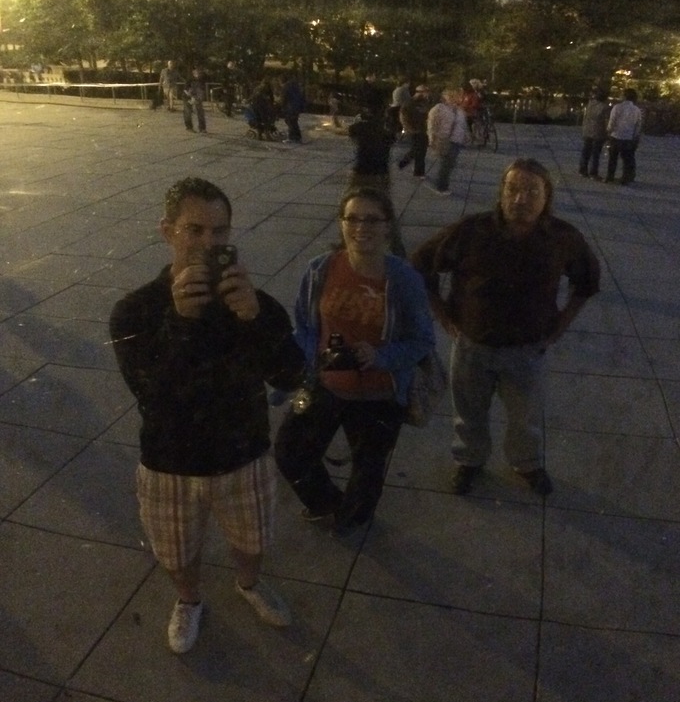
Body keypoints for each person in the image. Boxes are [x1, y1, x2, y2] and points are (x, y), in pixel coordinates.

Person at [109, 177, 305, 654]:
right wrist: (181, 322)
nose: (207, 244)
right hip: (169, 462)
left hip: (244, 455)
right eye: (193, 230)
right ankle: (189, 600)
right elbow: (150, 394)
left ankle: (249, 583)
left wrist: (255, 319)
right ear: (167, 231)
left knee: (253, 540)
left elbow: (291, 375)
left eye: (219, 233)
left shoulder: (252, 303)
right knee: (175, 551)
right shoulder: (135, 311)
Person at [411, 158, 600, 497]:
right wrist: (443, 315)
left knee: (525, 417)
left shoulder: (562, 238)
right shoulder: (471, 231)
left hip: (527, 350)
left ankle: (527, 464)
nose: (520, 199)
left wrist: (559, 328)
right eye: (512, 189)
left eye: (531, 191)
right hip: (472, 346)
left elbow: (586, 282)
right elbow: (422, 264)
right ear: (500, 193)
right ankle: (469, 461)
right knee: (468, 413)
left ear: (546, 197)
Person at [275, 186, 435, 537]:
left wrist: (380, 356)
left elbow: (422, 340)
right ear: (341, 223)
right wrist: (298, 368)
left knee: (368, 468)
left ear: (387, 226)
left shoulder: (403, 279)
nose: (361, 227)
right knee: (290, 450)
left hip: (378, 393)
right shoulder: (319, 270)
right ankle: (326, 503)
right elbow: (304, 325)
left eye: (371, 219)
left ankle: (353, 519)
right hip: (327, 383)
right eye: (353, 218)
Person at [347, 108, 405, 255]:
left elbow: (351, 133)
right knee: (385, 210)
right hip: (381, 174)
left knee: (349, 206)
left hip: (361, 172)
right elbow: (393, 139)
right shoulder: (387, 129)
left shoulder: (359, 127)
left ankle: (344, 244)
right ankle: (398, 248)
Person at [426, 87, 468, 195]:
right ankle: (441, 187)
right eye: (451, 96)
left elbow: (462, 125)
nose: (455, 98)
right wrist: (432, 139)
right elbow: (431, 125)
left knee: (450, 164)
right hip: (445, 139)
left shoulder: (459, 110)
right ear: (445, 97)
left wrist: (465, 136)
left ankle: (443, 185)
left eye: (456, 96)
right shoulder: (438, 109)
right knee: (445, 164)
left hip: (457, 140)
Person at [605, 88, 642, 185]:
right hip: (628, 137)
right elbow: (637, 125)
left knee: (612, 158)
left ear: (624, 96)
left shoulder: (617, 107)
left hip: (616, 135)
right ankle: (625, 179)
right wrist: (635, 136)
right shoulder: (636, 110)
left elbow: (612, 121)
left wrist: (609, 130)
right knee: (626, 159)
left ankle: (610, 177)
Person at [398, 84, 431, 178]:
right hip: (414, 129)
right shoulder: (409, 103)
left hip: (423, 129)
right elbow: (403, 116)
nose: (427, 94)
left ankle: (418, 170)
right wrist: (408, 128)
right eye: (425, 92)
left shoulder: (425, 102)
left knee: (421, 150)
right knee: (417, 150)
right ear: (419, 93)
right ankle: (411, 166)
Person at [579, 88, 609, 180]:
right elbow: (606, 121)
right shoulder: (605, 107)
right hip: (598, 132)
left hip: (587, 130)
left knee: (586, 151)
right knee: (595, 153)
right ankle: (593, 172)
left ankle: (582, 170)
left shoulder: (590, 104)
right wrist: (608, 133)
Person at [281, 73, 305, 143]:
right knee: (294, 122)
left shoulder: (285, 87)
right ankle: (298, 137)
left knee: (290, 122)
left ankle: (291, 137)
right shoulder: (295, 86)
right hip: (297, 107)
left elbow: (284, 98)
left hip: (290, 107)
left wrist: (282, 107)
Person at [182, 66, 207, 133]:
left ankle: (202, 128)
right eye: (196, 72)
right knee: (188, 112)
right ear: (193, 73)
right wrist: (191, 97)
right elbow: (185, 90)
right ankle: (189, 127)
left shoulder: (201, 80)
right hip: (188, 97)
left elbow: (202, 90)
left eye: (199, 72)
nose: (198, 74)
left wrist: (199, 98)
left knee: (200, 112)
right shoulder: (190, 79)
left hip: (197, 97)